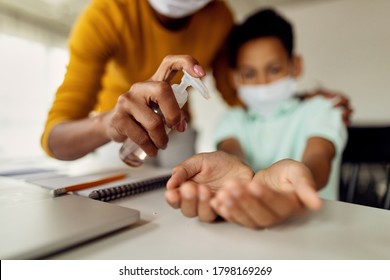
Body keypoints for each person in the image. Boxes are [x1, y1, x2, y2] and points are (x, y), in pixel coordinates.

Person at [41, 0, 351, 169]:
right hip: (117, 130)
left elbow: (242, 91)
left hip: (178, 128)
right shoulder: (105, 15)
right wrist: (109, 123)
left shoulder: (219, 18)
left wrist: (301, 103)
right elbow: (55, 139)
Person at [165, 8, 348, 228]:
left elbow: (319, 157)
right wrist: (234, 178)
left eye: (274, 69)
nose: (262, 82)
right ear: (234, 78)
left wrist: (301, 179)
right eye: (250, 74)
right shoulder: (232, 120)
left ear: (295, 66)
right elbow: (232, 154)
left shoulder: (322, 109)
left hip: (317, 228)